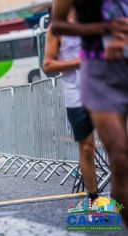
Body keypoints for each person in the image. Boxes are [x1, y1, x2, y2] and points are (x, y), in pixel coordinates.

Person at [51, 0, 128, 226]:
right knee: (119, 157)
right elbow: (57, 26)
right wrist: (104, 28)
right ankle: (97, 200)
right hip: (100, 72)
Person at [43, 7, 99, 204]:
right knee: (87, 148)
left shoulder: (93, 18)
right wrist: (78, 62)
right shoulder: (55, 30)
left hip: (103, 90)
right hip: (76, 96)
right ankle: (94, 199)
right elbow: (47, 65)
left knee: (117, 146)